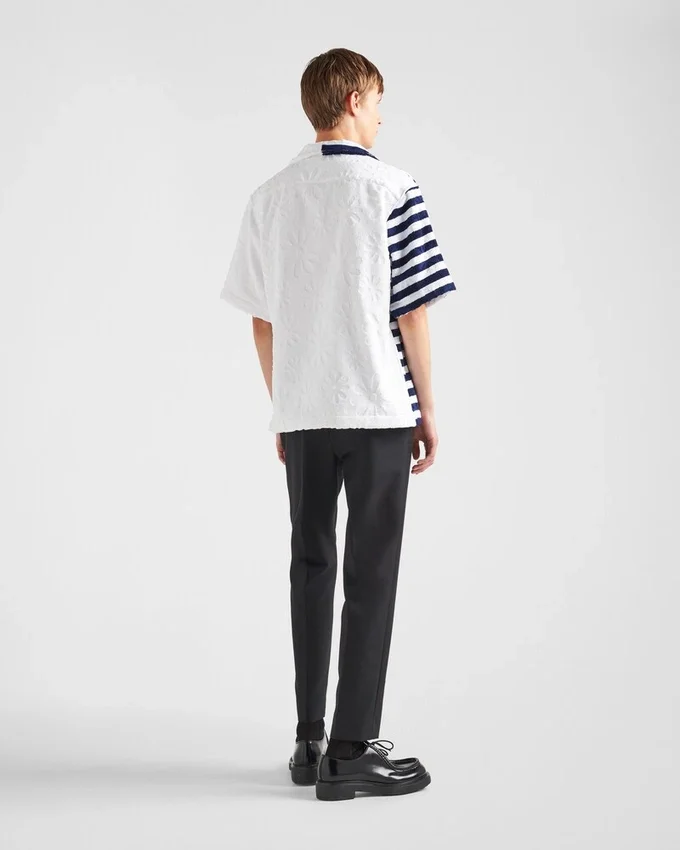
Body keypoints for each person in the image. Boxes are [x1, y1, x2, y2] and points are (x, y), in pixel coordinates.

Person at [219, 47, 456, 801]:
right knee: (371, 573)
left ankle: (308, 740)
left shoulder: (269, 196)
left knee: (310, 565)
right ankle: (352, 751)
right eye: (379, 100)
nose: (383, 115)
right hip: (379, 407)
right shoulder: (393, 188)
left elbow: (261, 321)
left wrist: (284, 404)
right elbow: (412, 311)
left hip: (306, 413)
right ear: (354, 99)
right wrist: (428, 408)